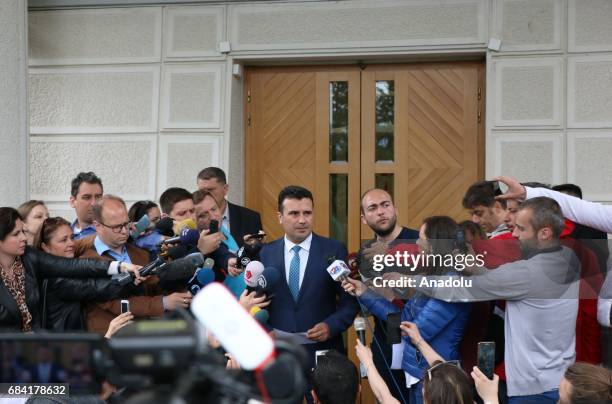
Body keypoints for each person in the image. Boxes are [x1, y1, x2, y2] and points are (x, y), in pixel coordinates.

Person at [393, 197, 581, 403]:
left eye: (521, 229)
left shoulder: (528, 273)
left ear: (545, 233)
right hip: (560, 379)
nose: (514, 234)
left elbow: (459, 290)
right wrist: (474, 269)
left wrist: (409, 279)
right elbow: (502, 280)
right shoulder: (568, 257)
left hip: (534, 388)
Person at [343, 216, 471, 404]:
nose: (417, 243)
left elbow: (412, 330)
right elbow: (403, 318)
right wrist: (364, 292)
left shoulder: (453, 286)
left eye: (422, 239)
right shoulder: (431, 277)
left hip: (438, 379)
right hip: (418, 372)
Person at [259, 186, 358, 369]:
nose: (302, 220)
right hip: (279, 356)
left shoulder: (333, 250)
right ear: (280, 217)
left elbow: (350, 301)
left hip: (323, 354)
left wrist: (331, 326)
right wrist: (266, 331)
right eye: (294, 214)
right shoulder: (265, 254)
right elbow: (254, 304)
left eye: (307, 213)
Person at [0, 207, 141, 332]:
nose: (24, 238)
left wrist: (119, 266)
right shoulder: (55, 281)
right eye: (16, 234)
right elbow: (93, 287)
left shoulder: (28, 256)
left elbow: (73, 266)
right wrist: (131, 280)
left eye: (23, 232)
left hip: (37, 344)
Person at [74, 195, 191, 335]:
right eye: (117, 227)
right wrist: (163, 303)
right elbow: (114, 303)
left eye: (126, 224)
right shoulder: (87, 261)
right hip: (110, 340)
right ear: (97, 226)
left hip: (145, 336)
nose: (124, 231)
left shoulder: (141, 252)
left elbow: (153, 287)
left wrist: (177, 290)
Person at [357, 188, 419, 401]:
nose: (381, 212)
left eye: (385, 205)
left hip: (419, 343)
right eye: (373, 208)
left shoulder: (419, 241)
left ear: (395, 209)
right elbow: (370, 301)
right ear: (364, 219)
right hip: (384, 343)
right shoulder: (365, 252)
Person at [34, 216, 128, 331]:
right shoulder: (54, 279)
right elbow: (96, 288)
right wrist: (131, 278)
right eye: (63, 240)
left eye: (72, 238)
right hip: (65, 346)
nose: (71, 244)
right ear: (45, 247)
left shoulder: (59, 269)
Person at [197, 167, 262, 248]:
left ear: (225, 189)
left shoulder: (250, 217)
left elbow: (259, 253)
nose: (206, 195)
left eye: (210, 190)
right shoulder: (193, 218)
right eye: (202, 191)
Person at [69, 172, 104, 240]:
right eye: (87, 197)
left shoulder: (111, 234)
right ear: (73, 201)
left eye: (98, 197)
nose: (94, 203)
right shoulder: (64, 232)